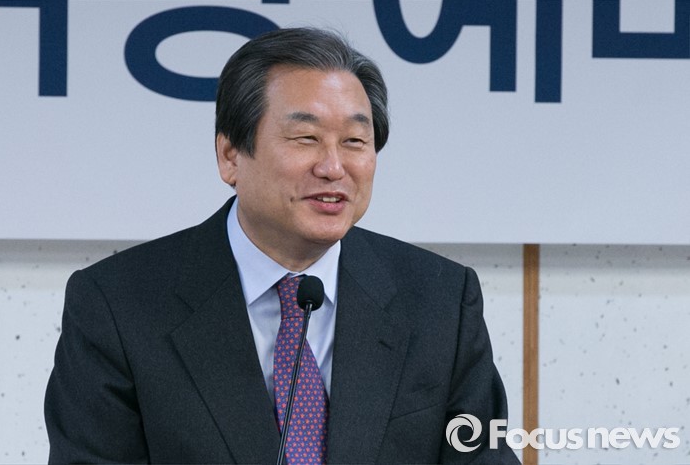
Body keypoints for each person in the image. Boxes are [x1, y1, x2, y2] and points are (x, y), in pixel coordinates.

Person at [45, 27, 519, 464]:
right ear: (230, 155)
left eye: (355, 141)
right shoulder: (117, 306)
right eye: (306, 138)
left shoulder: (440, 301)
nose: (333, 167)